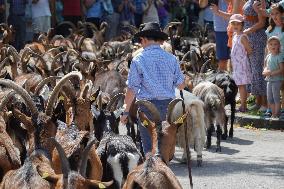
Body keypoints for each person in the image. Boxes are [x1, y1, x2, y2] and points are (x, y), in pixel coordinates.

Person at [120, 22, 185, 155]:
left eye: (140, 41)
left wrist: (125, 112)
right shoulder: (172, 58)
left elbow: (132, 89)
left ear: (143, 39)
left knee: (150, 149)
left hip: (147, 108)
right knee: (164, 146)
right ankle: (163, 169)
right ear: (159, 40)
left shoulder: (138, 59)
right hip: (169, 107)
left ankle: (152, 171)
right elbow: (181, 85)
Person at [243, 0, 267, 112]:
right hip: (250, 37)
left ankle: (265, 103)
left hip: (257, 37)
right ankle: (258, 102)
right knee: (253, 70)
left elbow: (262, 22)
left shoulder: (260, 1)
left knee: (258, 70)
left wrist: (248, 30)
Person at [230, 14, 252, 112]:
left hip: (241, 65)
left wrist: (242, 59)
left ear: (242, 25)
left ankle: (244, 105)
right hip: (236, 65)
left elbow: (249, 50)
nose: (235, 26)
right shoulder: (235, 36)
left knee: (242, 85)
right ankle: (243, 104)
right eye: (233, 23)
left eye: (238, 24)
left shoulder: (243, 37)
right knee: (239, 85)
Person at [199, 0, 230, 71]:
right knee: (222, 59)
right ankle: (223, 78)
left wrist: (218, 12)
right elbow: (202, 5)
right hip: (220, 28)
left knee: (233, 59)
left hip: (234, 27)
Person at [262, 36, 284, 119]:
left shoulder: (279, 56)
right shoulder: (268, 56)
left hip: (277, 80)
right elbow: (265, 67)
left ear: (279, 45)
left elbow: (282, 69)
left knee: (276, 97)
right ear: (268, 46)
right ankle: (273, 113)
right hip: (269, 80)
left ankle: (276, 114)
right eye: (270, 44)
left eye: (275, 44)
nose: (273, 46)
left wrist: (270, 73)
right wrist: (265, 71)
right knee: (270, 98)